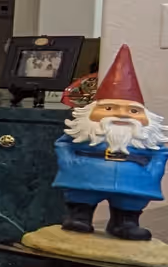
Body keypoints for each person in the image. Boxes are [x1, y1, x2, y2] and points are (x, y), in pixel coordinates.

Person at [53, 45, 168, 241]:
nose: (121, 114)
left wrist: (153, 172)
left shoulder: (144, 138)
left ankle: (124, 223)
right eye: (108, 108)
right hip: (86, 177)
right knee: (82, 199)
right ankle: (80, 216)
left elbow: (160, 153)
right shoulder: (87, 132)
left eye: (133, 111)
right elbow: (63, 144)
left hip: (133, 182)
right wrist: (68, 162)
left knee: (129, 202)